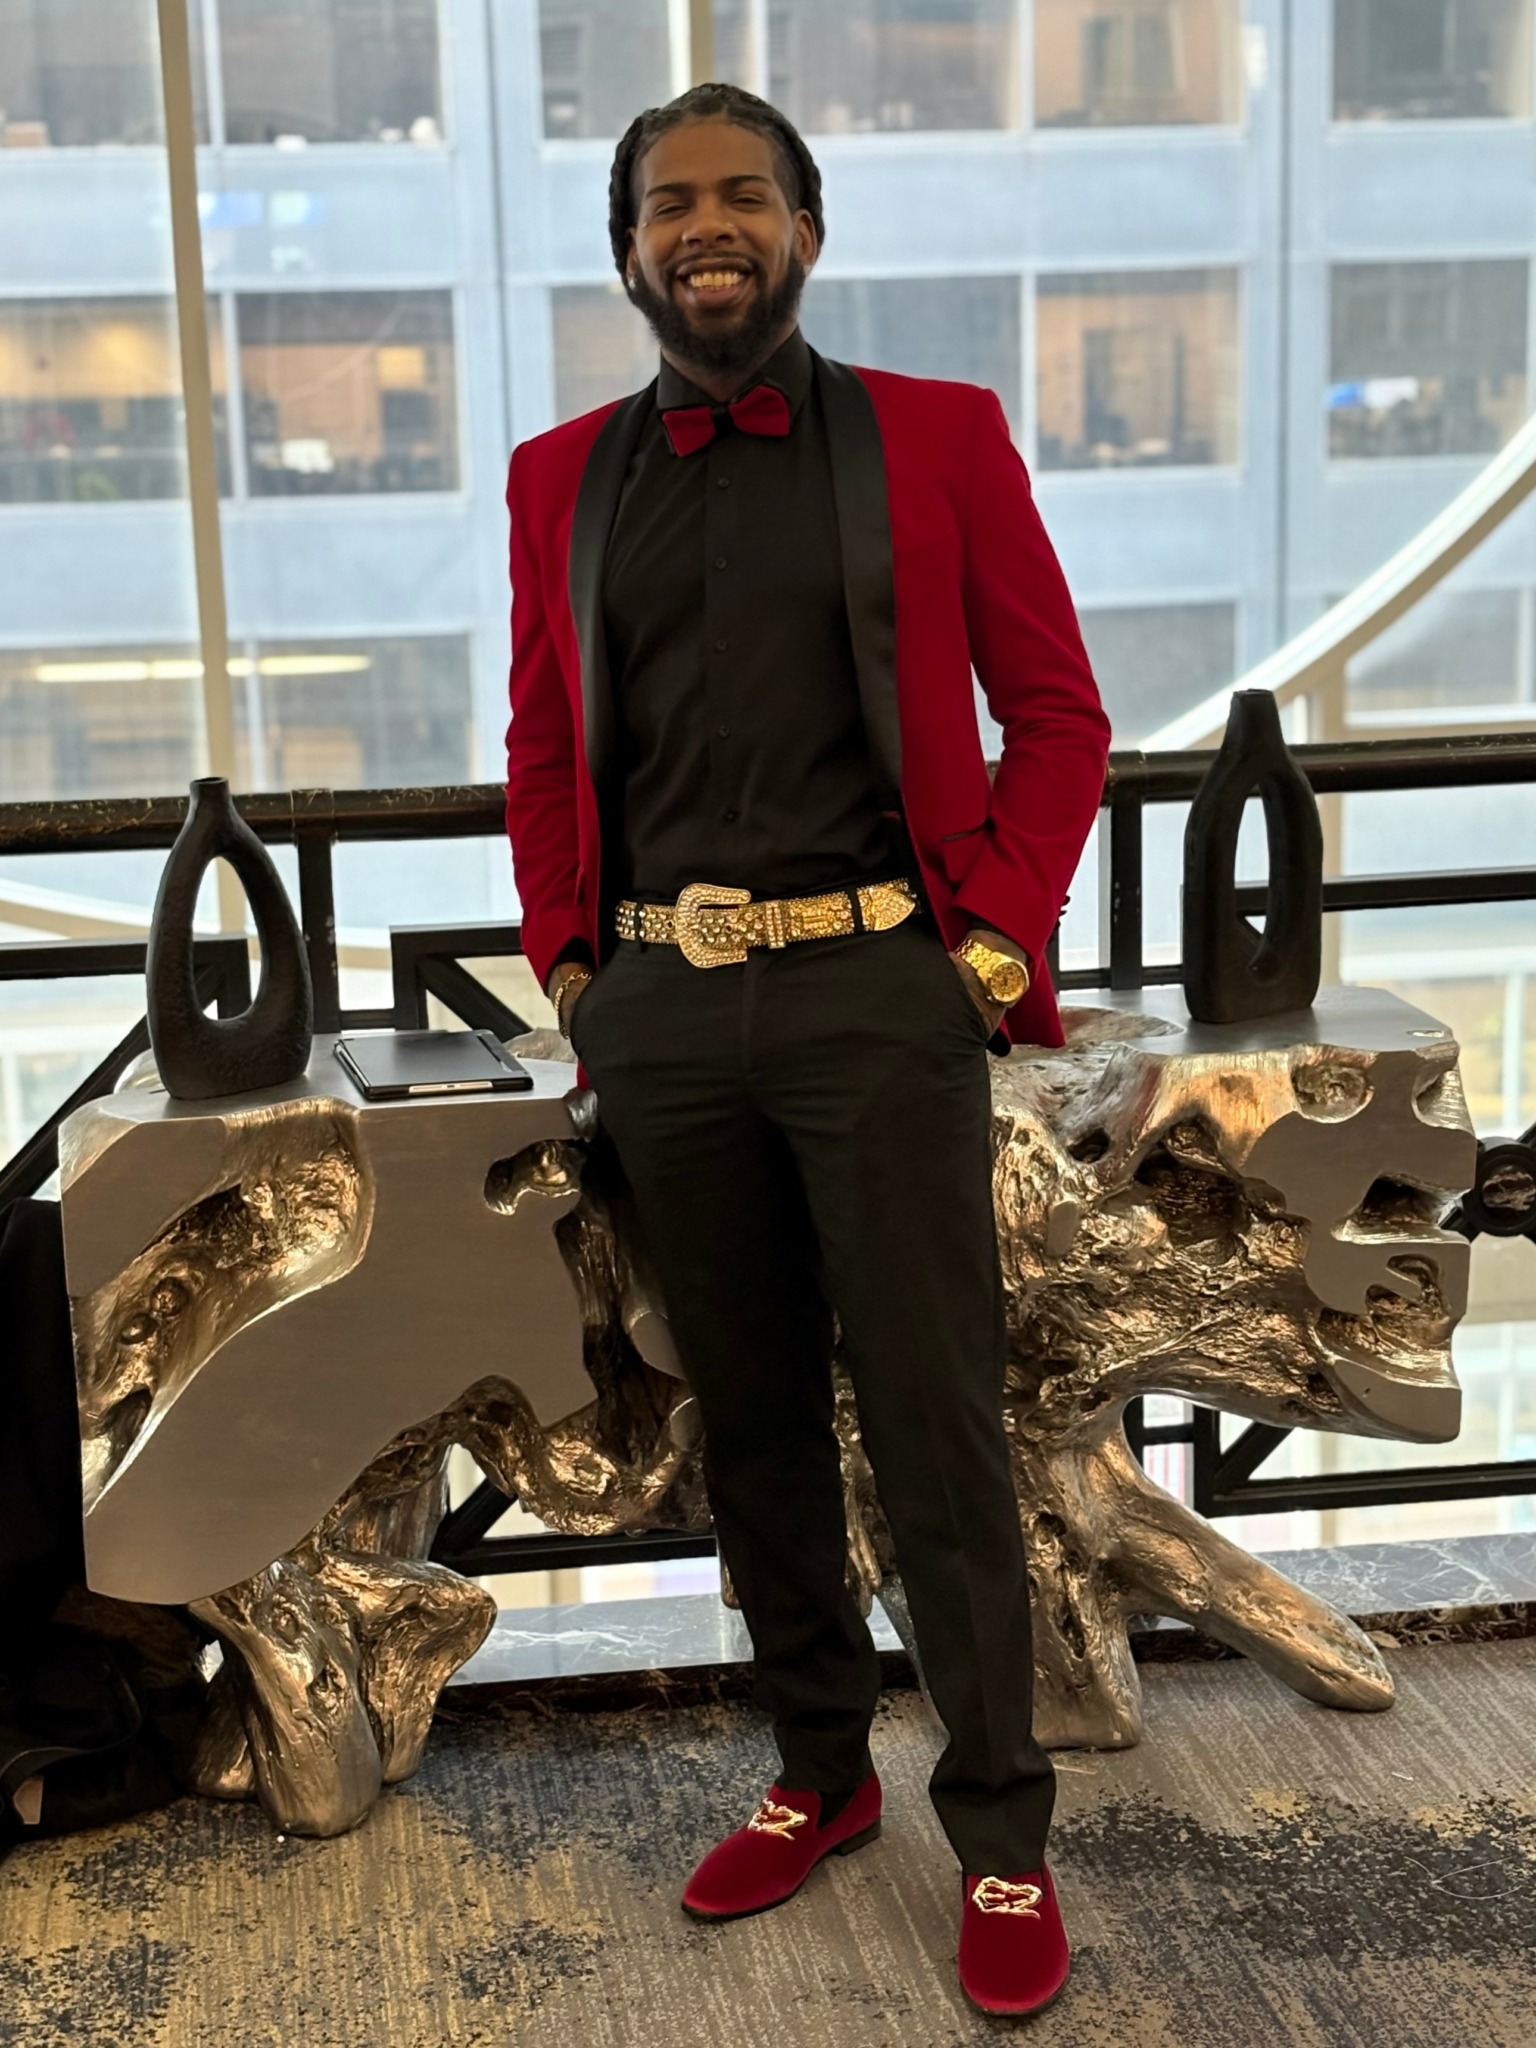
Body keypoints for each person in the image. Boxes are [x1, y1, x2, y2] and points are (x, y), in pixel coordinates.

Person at [504, 80, 1109, 2019]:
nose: (708, 224)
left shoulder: (939, 436)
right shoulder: (555, 475)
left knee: (937, 1422)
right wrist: (575, 967)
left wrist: (988, 945)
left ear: (805, 229)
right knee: (749, 1420)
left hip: (882, 998)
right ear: (628, 250)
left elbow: (1058, 713)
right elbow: (541, 742)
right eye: (671, 201)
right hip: (666, 1016)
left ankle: (1000, 1831)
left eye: (743, 194)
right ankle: (820, 1770)